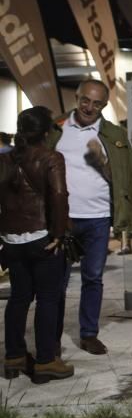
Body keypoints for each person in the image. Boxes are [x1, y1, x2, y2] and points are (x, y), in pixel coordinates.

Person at [48, 79, 132, 356]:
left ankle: (89, 334)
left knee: (93, 278)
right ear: (76, 97)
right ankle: (51, 337)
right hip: (63, 219)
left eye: (96, 103)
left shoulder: (113, 135)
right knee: (56, 281)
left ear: (104, 106)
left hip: (98, 217)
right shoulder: (55, 130)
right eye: (85, 100)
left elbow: (124, 180)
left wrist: (101, 161)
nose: (89, 107)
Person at [1, 107, 73, 382]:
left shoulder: (5, 159)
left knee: (19, 297)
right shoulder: (51, 157)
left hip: (11, 239)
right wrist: (57, 234)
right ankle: (45, 361)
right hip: (41, 237)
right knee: (47, 298)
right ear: (46, 132)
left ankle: (14, 356)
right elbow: (58, 195)